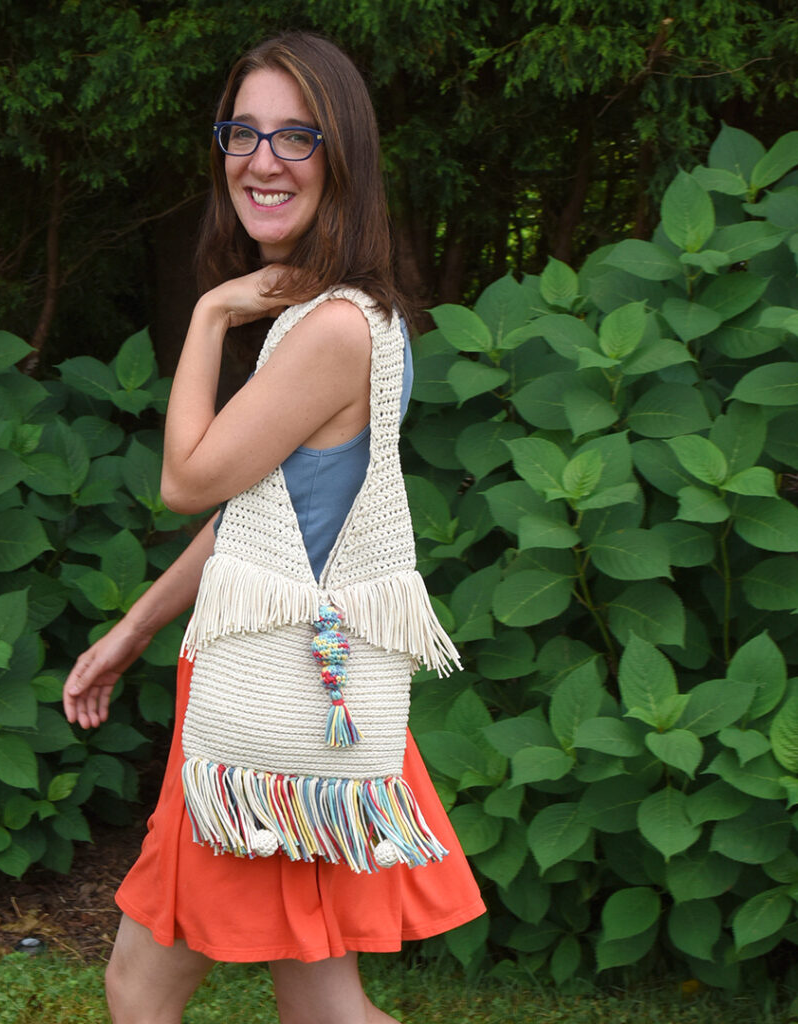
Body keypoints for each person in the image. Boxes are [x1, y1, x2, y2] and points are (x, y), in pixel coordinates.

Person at [62, 31, 486, 1024]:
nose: (262, 159)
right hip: (299, 708)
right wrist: (136, 627)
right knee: (322, 1002)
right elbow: (264, 517)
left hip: (261, 718)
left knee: (140, 985)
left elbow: (186, 480)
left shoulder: (329, 329)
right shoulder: (355, 317)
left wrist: (209, 315)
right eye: (243, 132)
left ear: (345, 155)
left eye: (297, 136)